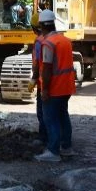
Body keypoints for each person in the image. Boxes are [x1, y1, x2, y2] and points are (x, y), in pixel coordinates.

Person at [35, 9, 76, 162]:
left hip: (55, 88)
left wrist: (44, 89)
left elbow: (46, 68)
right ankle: (66, 148)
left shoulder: (48, 43)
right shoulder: (64, 40)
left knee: (50, 118)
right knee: (63, 116)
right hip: (66, 87)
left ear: (41, 26)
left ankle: (53, 151)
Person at [27, 12, 47, 146]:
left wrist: (34, 79)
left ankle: (44, 139)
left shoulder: (39, 42)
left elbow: (38, 62)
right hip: (60, 85)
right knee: (59, 114)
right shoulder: (59, 39)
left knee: (43, 113)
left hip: (45, 84)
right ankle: (62, 140)